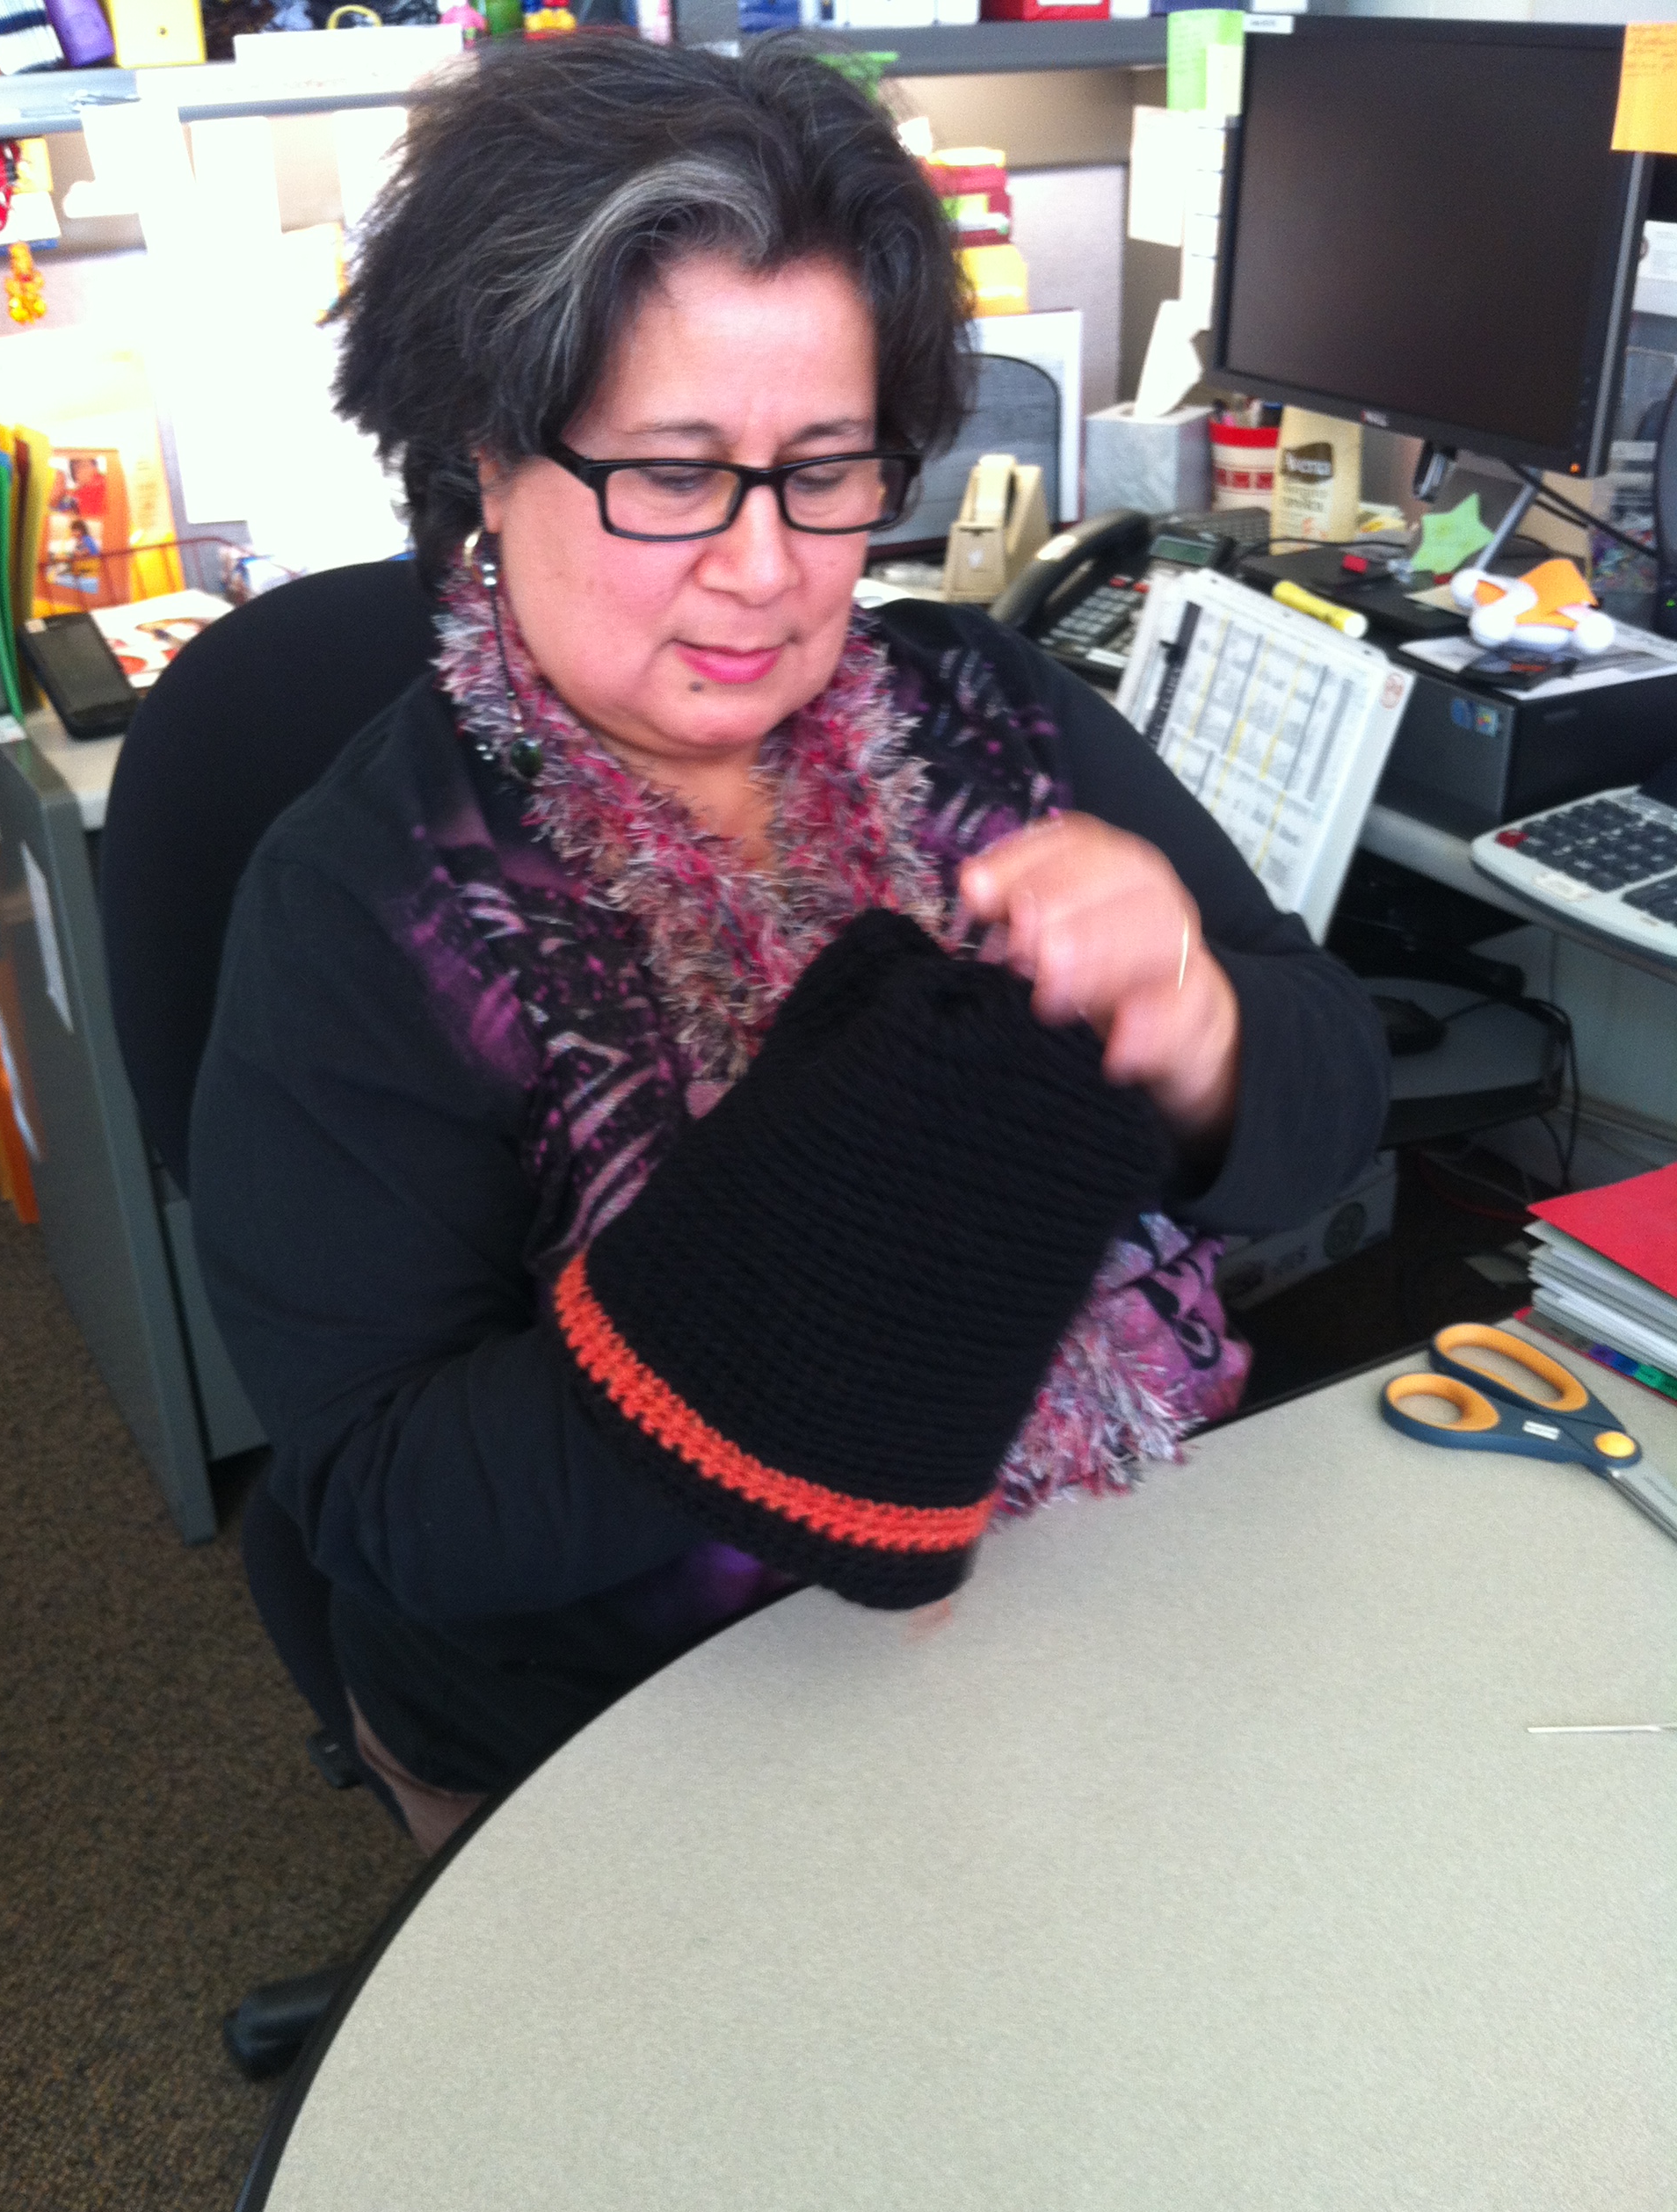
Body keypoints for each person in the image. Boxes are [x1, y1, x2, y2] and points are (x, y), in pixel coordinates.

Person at [189, 36, 1389, 1854]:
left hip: (1117, 1597)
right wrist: (825, 1233)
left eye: (825, 469)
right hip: (648, 1735)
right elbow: (389, 1503)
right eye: (674, 477)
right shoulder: (367, 903)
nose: (765, 566)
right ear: (485, 458)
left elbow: (1332, 1091)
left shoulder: (989, 711)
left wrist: (1202, 1028)